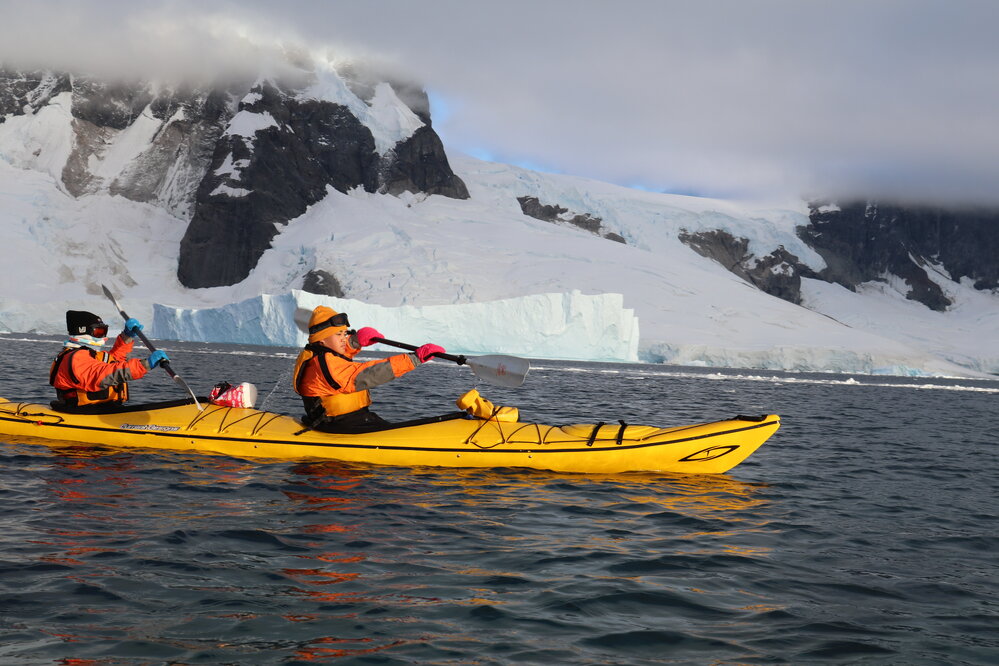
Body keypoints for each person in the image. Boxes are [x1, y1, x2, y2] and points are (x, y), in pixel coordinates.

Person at [293, 306, 445, 430]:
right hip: (335, 424)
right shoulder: (323, 363)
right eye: (338, 334)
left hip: (352, 418)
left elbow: (338, 352)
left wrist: (354, 342)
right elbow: (368, 374)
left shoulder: (321, 353)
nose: (343, 338)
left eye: (345, 333)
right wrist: (413, 359)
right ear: (322, 339)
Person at [49, 310, 169, 411]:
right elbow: (103, 374)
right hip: (84, 411)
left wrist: (127, 336)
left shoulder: (89, 355)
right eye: (98, 332)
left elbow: (114, 361)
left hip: (103, 408)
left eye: (104, 331)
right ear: (82, 331)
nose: (102, 336)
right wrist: (144, 365)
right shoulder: (76, 358)